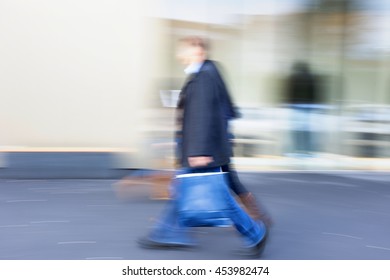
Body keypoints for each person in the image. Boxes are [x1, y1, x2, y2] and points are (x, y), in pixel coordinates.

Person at [137, 37, 268, 257]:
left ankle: (254, 233)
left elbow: (203, 115)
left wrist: (198, 151)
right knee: (188, 189)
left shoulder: (203, 76)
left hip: (202, 150)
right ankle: (167, 232)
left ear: (198, 51)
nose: (181, 56)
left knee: (217, 195)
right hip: (206, 147)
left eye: (184, 51)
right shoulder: (206, 72)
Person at [284, 61, 321, 157]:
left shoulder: (293, 77)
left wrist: (290, 103)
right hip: (308, 107)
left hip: (296, 106)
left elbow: (289, 92)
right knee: (306, 131)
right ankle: (306, 150)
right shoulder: (311, 78)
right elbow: (315, 93)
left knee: (297, 130)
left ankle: (298, 149)